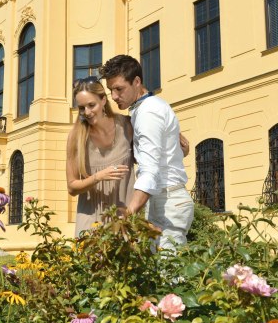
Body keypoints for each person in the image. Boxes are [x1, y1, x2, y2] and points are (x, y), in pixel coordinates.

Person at [100, 55, 195, 251]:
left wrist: (128, 213)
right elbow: (160, 156)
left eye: (119, 89)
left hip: (167, 202)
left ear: (136, 82)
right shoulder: (148, 107)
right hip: (165, 199)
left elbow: (150, 170)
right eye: (111, 91)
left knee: (169, 276)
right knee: (165, 273)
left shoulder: (147, 113)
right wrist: (179, 153)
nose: (115, 96)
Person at [66, 76, 134, 235]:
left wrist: (173, 134)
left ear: (103, 100)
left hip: (126, 217)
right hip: (91, 221)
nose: (87, 113)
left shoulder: (127, 125)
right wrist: (98, 177)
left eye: (91, 105)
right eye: (81, 108)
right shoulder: (76, 137)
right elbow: (71, 186)